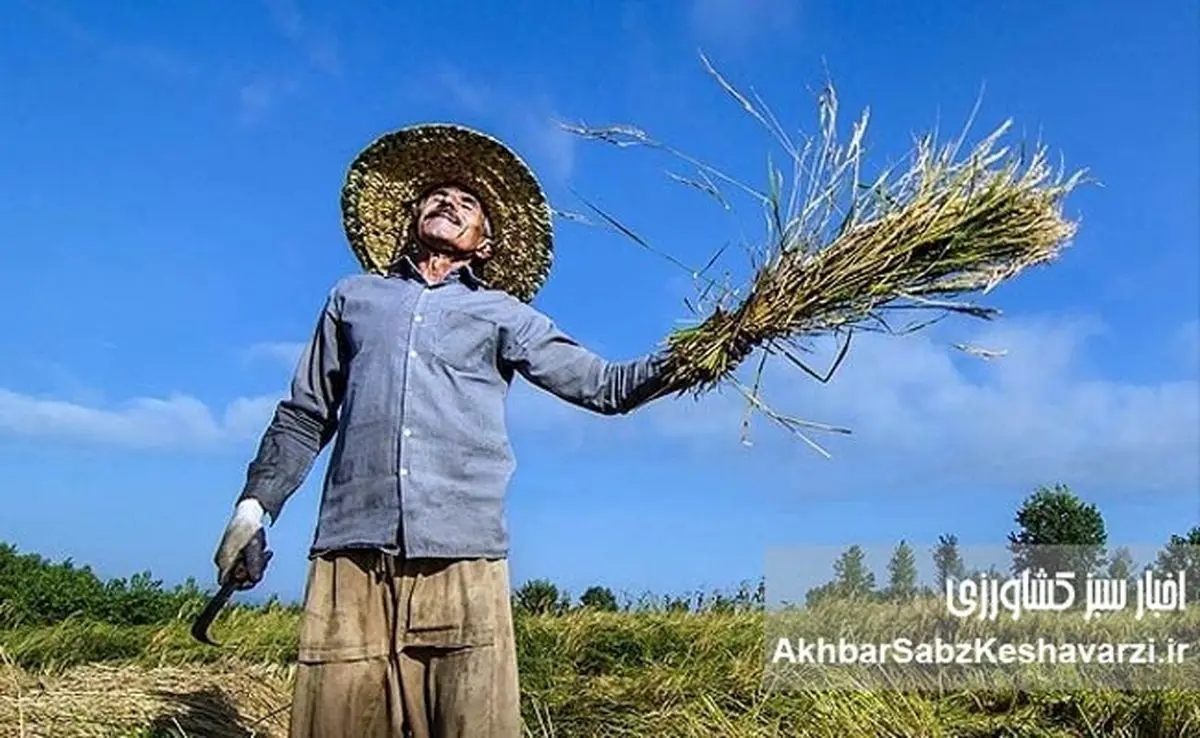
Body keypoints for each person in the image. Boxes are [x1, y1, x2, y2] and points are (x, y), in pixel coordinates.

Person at [211, 123, 679, 738]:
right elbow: (305, 413)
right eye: (437, 196)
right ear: (412, 219)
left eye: (468, 202)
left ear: (484, 244)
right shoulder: (354, 298)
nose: (449, 202)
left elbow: (605, 386)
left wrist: (707, 349)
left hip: (461, 556)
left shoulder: (504, 315)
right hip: (350, 553)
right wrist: (252, 511)